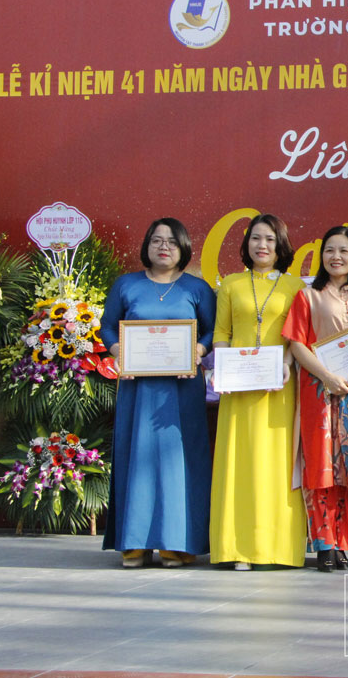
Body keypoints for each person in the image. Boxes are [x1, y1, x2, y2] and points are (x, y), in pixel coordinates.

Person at [101, 218, 217, 568]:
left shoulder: (197, 289)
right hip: (138, 388)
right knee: (136, 457)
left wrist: (199, 350)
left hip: (182, 389)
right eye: (156, 240)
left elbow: (212, 331)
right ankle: (134, 543)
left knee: (179, 460)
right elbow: (108, 326)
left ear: (184, 247)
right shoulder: (127, 284)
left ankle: (176, 544)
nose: (163, 247)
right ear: (146, 246)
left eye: (171, 241)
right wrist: (118, 350)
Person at [210, 213, 307, 570]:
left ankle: (276, 548)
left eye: (269, 239)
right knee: (239, 463)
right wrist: (222, 368)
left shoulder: (295, 287)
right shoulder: (231, 284)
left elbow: (297, 336)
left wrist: (286, 362)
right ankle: (238, 549)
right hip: (238, 389)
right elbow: (221, 333)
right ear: (246, 243)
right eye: (255, 238)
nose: (262, 245)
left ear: (281, 245)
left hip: (279, 385)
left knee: (276, 464)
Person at [282, 226, 348, 572]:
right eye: (329, 250)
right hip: (319, 392)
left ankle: (343, 542)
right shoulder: (308, 296)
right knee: (321, 467)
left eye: (344, 251)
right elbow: (297, 344)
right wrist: (327, 377)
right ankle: (324, 543)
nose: (336, 257)